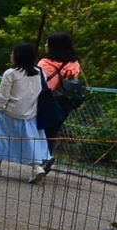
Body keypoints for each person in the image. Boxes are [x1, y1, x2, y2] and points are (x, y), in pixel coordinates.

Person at [0, 42, 50, 182]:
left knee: (0, 138)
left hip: (8, 112)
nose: (11, 55)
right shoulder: (40, 73)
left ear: (18, 56)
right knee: (29, 140)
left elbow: (3, 96)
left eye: (13, 53)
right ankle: (36, 167)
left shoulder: (11, 73)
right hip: (29, 113)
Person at [36, 31, 84, 164]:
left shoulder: (45, 63)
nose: (45, 45)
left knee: (40, 130)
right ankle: (46, 157)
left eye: (48, 43)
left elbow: (42, 84)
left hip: (48, 101)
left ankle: (42, 160)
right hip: (65, 102)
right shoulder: (74, 63)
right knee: (53, 132)